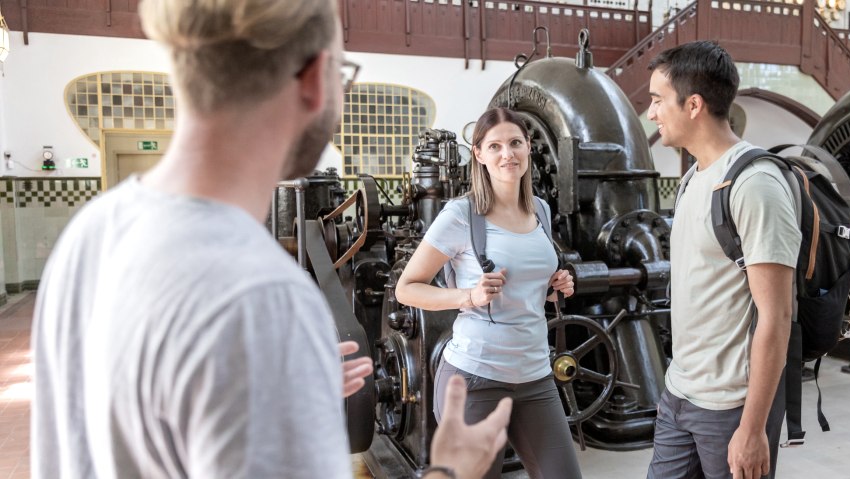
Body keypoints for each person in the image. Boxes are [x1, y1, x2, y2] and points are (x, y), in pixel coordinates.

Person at [31, 1, 510, 478]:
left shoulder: (91, 233)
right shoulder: (263, 295)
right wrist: (451, 471)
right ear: (314, 77)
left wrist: (279, 397)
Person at [395, 107, 582, 479]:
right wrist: (468, 297)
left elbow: (526, 289)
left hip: (534, 376)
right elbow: (406, 288)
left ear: (529, 148)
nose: (507, 154)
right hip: (474, 378)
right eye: (494, 146)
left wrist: (552, 288)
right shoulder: (461, 214)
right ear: (478, 154)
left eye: (515, 143)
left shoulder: (540, 211)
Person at [645, 41, 800, 479]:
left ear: (692, 105)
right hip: (680, 394)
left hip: (731, 407)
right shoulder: (696, 175)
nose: (652, 112)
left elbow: (777, 316)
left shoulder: (756, 186)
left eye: (658, 100)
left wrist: (752, 430)